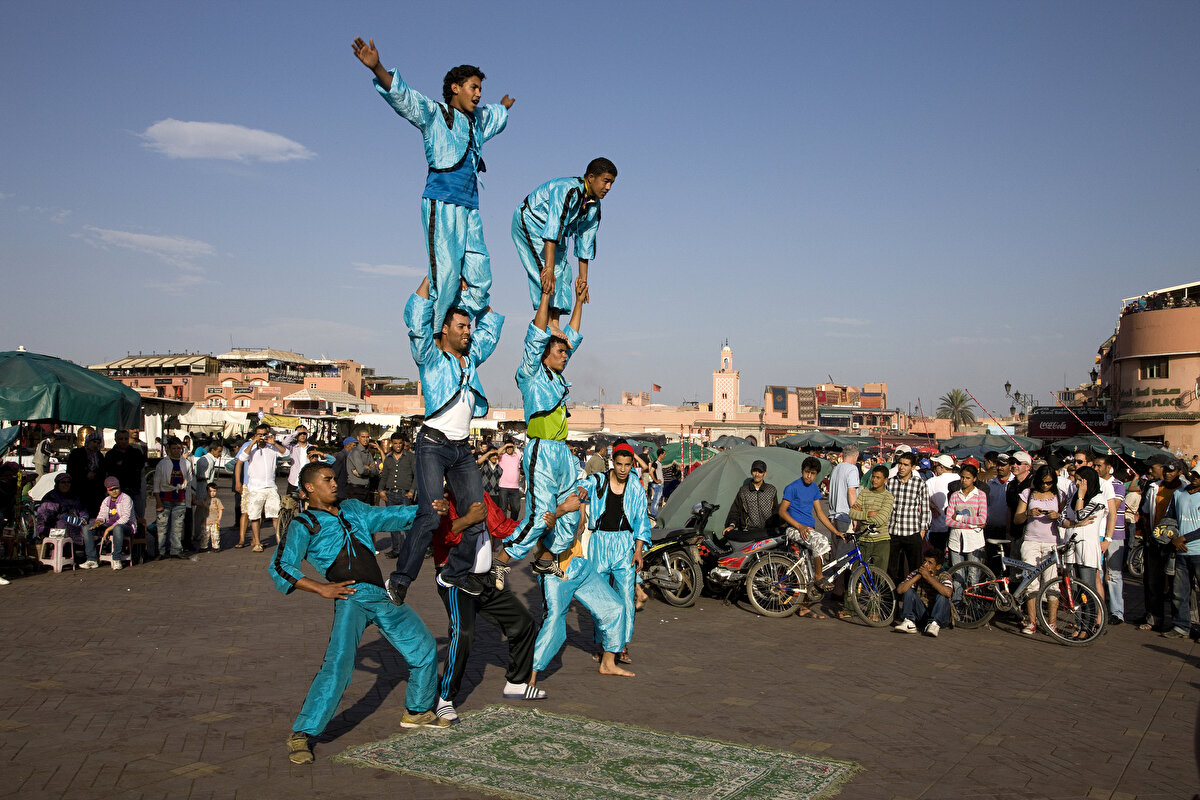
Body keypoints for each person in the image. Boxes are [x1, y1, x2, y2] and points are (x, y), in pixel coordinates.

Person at [271, 462, 444, 766]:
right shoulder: (305, 523)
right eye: (327, 480)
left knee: (425, 647)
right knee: (338, 666)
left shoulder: (352, 508)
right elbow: (281, 566)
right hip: (350, 599)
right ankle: (302, 733)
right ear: (310, 487)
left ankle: (416, 711)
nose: (335, 483)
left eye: (334, 478)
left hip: (381, 596)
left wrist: (431, 509)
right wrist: (321, 588)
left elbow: (391, 515)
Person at [352, 37, 514, 331]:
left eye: (481, 89)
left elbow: (494, 117)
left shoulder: (477, 121)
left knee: (480, 277)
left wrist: (503, 107)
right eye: (473, 87)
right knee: (448, 276)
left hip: (470, 209)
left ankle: (458, 330)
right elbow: (406, 99)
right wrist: (378, 68)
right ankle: (436, 334)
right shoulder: (435, 114)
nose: (478, 94)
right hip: (442, 204)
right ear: (456, 88)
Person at [386, 274, 504, 605]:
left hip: (462, 449)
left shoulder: (473, 357)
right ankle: (401, 578)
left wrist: (475, 298)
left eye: (469, 326)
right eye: (462, 327)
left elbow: (491, 328)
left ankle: (454, 572)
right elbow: (416, 321)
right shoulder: (432, 359)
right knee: (430, 513)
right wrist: (437, 272)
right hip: (433, 445)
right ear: (445, 331)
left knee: (476, 512)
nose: (468, 331)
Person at [495, 281, 587, 583]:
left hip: (562, 452)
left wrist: (578, 302)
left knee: (571, 517)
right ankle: (501, 561)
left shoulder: (559, 377)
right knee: (540, 518)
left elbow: (570, 338)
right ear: (545, 353)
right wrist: (546, 296)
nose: (565, 356)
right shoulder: (531, 375)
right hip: (542, 452)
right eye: (559, 352)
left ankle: (545, 560)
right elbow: (535, 338)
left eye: (565, 353)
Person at [431, 490, 545, 722]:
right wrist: (466, 519)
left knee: (522, 622)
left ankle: (516, 683)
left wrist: (539, 522)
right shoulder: (442, 497)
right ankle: (445, 698)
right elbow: (443, 536)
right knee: (464, 634)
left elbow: (501, 527)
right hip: (455, 580)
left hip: (484, 579)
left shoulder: (479, 495)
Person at [529, 493, 634, 687]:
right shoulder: (541, 490)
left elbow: (584, 496)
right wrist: (563, 509)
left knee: (614, 607)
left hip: (578, 564)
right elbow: (535, 525)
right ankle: (531, 677)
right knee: (553, 622)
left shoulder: (569, 485)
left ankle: (608, 663)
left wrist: (580, 496)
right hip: (555, 572)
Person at [511, 160, 617, 329]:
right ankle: (544, 324)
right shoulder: (568, 190)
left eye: (612, 183)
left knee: (564, 272)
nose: (609, 187)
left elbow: (585, 242)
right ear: (591, 178)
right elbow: (553, 226)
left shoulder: (594, 206)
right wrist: (550, 268)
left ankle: (554, 322)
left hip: (555, 235)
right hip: (530, 222)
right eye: (606, 181)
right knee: (546, 272)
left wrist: (583, 281)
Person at [582, 445, 652, 663]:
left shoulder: (636, 486)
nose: (623, 469)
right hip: (600, 541)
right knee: (600, 597)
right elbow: (579, 487)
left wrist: (639, 550)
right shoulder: (598, 480)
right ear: (613, 462)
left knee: (625, 599)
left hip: (625, 543)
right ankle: (604, 645)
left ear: (632, 465)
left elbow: (641, 519)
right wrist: (581, 497)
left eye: (627, 465)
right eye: (619, 464)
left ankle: (622, 645)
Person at [779, 457, 841, 610]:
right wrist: (799, 526)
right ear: (802, 471)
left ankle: (803, 607)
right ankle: (819, 576)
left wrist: (835, 531)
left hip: (808, 531)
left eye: (813, 474)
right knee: (821, 542)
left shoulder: (814, 489)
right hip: (794, 529)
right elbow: (782, 511)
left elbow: (820, 513)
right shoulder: (792, 487)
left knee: (807, 569)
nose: (809, 476)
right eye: (807, 472)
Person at [1013, 465, 1065, 635]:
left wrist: (1057, 516)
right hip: (1031, 542)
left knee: (1052, 584)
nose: (1045, 486)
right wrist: (1029, 513)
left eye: (1049, 483)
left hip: (1051, 543)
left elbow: (1066, 519)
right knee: (1031, 582)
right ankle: (1032, 621)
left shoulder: (1060, 495)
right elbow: (1017, 519)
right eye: (1042, 482)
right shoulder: (1028, 494)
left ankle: (1052, 623)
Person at [1137, 456, 1184, 632]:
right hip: (1155, 542)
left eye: (1172, 470)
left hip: (1176, 543)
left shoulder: (1184, 489)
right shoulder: (1154, 488)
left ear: (1179, 472)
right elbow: (1146, 514)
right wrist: (1149, 537)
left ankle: (1179, 622)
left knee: (1177, 585)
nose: (1167, 473)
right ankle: (1154, 618)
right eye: (1166, 470)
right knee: (1152, 582)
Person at [1058, 466, 1107, 631]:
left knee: (1088, 589)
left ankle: (1088, 626)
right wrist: (1076, 524)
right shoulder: (1073, 497)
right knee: (1075, 590)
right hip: (1071, 547)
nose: (1077, 483)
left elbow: (1079, 514)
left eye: (1081, 480)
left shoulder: (1098, 500)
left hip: (1087, 548)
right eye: (1076, 480)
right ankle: (1079, 624)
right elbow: (1062, 519)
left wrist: (1081, 496)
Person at [234, 424, 287, 552]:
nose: (262, 437)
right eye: (259, 434)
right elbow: (241, 458)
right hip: (255, 488)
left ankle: (280, 541)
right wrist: (253, 442)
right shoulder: (250, 447)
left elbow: (286, 454)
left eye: (264, 434)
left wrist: (273, 443)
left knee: (275, 515)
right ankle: (257, 542)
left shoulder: (272, 448)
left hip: (271, 487)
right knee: (254, 515)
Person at [1163, 466, 1200, 639]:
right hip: (1181, 552)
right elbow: (1169, 519)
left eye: (1199, 475)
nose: (1195, 477)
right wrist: (1173, 537)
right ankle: (1181, 626)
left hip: (1197, 551)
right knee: (1179, 592)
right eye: (1194, 474)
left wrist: (1183, 539)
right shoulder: (1179, 494)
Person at [885, 453, 931, 585]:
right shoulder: (891, 482)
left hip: (912, 531)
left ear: (913, 467)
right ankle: (892, 599)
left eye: (905, 465)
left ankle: (911, 597)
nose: (902, 467)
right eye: (900, 463)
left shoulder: (920, 484)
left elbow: (925, 509)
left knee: (914, 568)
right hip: (892, 531)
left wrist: (922, 530)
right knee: (891, 568)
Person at [1094, 454, 1128, 624]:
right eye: (1095, 465)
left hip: (1115, 535)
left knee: (1114, 574)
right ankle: (1099, 610)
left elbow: (1111, 506)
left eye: (1099, 465)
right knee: (1097, 574)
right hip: (1096, 533)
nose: (1096, 468)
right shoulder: (1094, 483)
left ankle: (1117, 612)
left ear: (1108, 468)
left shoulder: (1118, 485)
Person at [893, 546, 953, 636]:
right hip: (922, 613)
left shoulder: (944, 575)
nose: (925, 565)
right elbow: (900, 590)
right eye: (925, 561)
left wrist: (928, 577)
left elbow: (948, 592)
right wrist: (918, 576)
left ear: (938, 566)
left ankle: (934, 624)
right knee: (909, 590)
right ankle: (909, 621)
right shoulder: (917, 572)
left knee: (942, 596)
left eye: (930, 563)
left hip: (941, 616)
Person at [153, 438, 194, 559]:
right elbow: (156, 484)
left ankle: (176, 550)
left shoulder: (186, 463)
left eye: (178, 448)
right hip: (165, 498)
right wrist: (158, 501)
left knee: (177, 526)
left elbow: (190, 482)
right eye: (174, 448)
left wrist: (189, 500)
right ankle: (160, 551)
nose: (176, 451)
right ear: (168, 449)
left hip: (180, 499)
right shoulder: (162, 464)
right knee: (162, 527)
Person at [378, 432, 417, 558]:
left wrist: (412, 490)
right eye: (395, 443)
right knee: (393, 524)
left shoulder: (410, 457)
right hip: (390, 494)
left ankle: (408, 550)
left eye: (400, 443)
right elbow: (384, 476)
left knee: (407, 523)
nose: (398, 445)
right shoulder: (389, 458)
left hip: (404, 494)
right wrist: (380, 490)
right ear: (391, 443)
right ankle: (396, 549)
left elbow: (416, 475)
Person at [35, 473, 89, 560]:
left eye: (68, 482)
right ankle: (65, 553)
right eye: (63, 482)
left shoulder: (73, 496)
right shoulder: (51, 497)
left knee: (92, 525)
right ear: (57, 484)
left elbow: (82, 510)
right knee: (63, 525)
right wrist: (68, 519)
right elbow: (48, 516)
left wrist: (84, 518)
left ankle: (89, 555)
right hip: (52, 525)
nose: (66, 484)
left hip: (76, 522)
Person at [850, 465, 894, 571]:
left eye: (878, 477)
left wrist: (861, 514)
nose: (874, 480)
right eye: (873, 477)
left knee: (879, 575)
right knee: (856, 572)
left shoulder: (888, 497)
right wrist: (868, 514)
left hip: (881, 540)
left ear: (885, 480)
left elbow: (880, 520)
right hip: (863, 538)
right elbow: (852, 513)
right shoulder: (864, 493)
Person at [945, 463, 988, 571]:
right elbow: (948, 521)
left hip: (974, 541)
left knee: (973, 574)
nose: (964, 480)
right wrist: (973, 525)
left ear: (974, 479)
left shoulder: (980, 495)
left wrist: (959, 518)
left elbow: (982, 519)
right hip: (955, 540)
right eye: (962, 477)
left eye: (967, 478)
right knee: (957, 572)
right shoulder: (955, 495)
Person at [89, 477, 135, 570]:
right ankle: (92, 559)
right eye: (111, 489)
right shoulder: (106, 500)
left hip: (126, 526)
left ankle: (116, 559)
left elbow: (125, 518)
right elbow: (102, 515)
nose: (114, 491)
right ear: (107, 490)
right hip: (109, 525)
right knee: (87, 528)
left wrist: (108, 529)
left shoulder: (126, 499)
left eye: (116, 488)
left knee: (117, 528)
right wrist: (98, 522)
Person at [722, 459, 777, 536]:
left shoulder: (771, 490)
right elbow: (735, 511)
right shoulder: (743, 491)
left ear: (765, 474)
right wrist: (731, 525)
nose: (757, 474)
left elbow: (775, 511)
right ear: (751, 472)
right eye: (754, 471)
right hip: (748, 531)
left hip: (767, 531)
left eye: (760, 472)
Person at [924, 454, 958, 553]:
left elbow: (922, 498)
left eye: (936, 466)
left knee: (936, 556)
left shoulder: (932, 482)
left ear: (942, 467)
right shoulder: (960, 479)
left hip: (938, 527)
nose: (935, 468)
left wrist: (932, 506)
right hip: (957, 526)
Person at [66, 432, 106, 516]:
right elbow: (72, 470)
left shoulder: (99, 456)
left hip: (95, 492)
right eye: (94, 442)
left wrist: (95, 475)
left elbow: (102, 471)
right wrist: (85, 475)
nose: (96, 445)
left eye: (98, 443)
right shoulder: (77, 453)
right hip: (79, 489)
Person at [827, 446, 860, 535]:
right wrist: (855, 517)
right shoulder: (852, 469)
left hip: (833, 515)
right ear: (856, 456)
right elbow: (852, 492)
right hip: (845, 515)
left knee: (836, 547)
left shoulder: (836, 468)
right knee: (847, 547)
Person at [346, 428, 382, 504]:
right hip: (356, 489)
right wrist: (369, 468)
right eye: (363, 437)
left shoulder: (368, 453)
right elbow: (361, 471)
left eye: (367, 437)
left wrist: (367, 468)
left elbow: (375, 471)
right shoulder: (356, 452)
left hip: (366, 488)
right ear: (358, 438)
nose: (365, 439)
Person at [281, 426, 313, 496]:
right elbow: (284, 443)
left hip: (307, 481)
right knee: (290, 504)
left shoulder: (312, 448)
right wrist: (296, 432)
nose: (302, 436)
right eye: (300, 434)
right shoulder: (293, 447)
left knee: (306, 505)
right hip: (294, 481)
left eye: (304, 433)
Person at [496, 441, 523, 520]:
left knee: (516, 508)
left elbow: (518, 470)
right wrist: (506, 445)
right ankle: (503, 525)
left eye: (510, 447)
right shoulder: (502, 456)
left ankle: (512, 523)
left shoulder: (517, 456)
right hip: (503, 486)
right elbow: (497, 452)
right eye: (507, 447)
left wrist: (518, 482)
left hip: (515, 487)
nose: (509, 449)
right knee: (503, 508)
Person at [204, 483, 224, 551]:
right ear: (207, 491)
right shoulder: (205, 500)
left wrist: (219, 519)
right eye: (210, 491)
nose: (212, 493)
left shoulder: (217, 501)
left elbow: (220, 510)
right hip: (206, 522)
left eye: (214, 491)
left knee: (215, 535)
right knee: (205, 535)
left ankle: (216, 547)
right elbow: (199, 502)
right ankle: (204, 546)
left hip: (215, 522)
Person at [648, 448, 665, 518]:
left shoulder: (658, 463)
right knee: (656, 501)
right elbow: (650, 472)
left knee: (657, 501)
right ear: (660, 454)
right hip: (658, 485)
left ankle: (654, 514)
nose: (665, 455)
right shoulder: (656, 463)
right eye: (664, 454)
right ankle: (654, 515)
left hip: (659, 484)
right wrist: (656, 480)